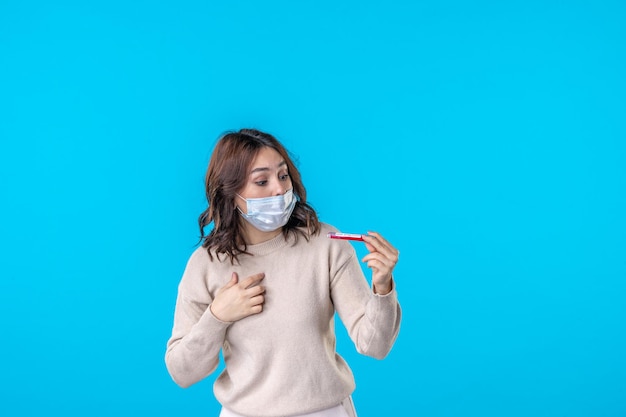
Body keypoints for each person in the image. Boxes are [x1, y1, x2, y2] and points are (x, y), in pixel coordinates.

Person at [165, 128, 401, 417]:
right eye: (261, 181)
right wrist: (218, 316)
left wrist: (382, 287)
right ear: (230, 193)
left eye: (283, 175)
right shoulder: (206, 264)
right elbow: (182, 372)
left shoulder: (325, 244)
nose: (279, 189)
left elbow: (374, 345)